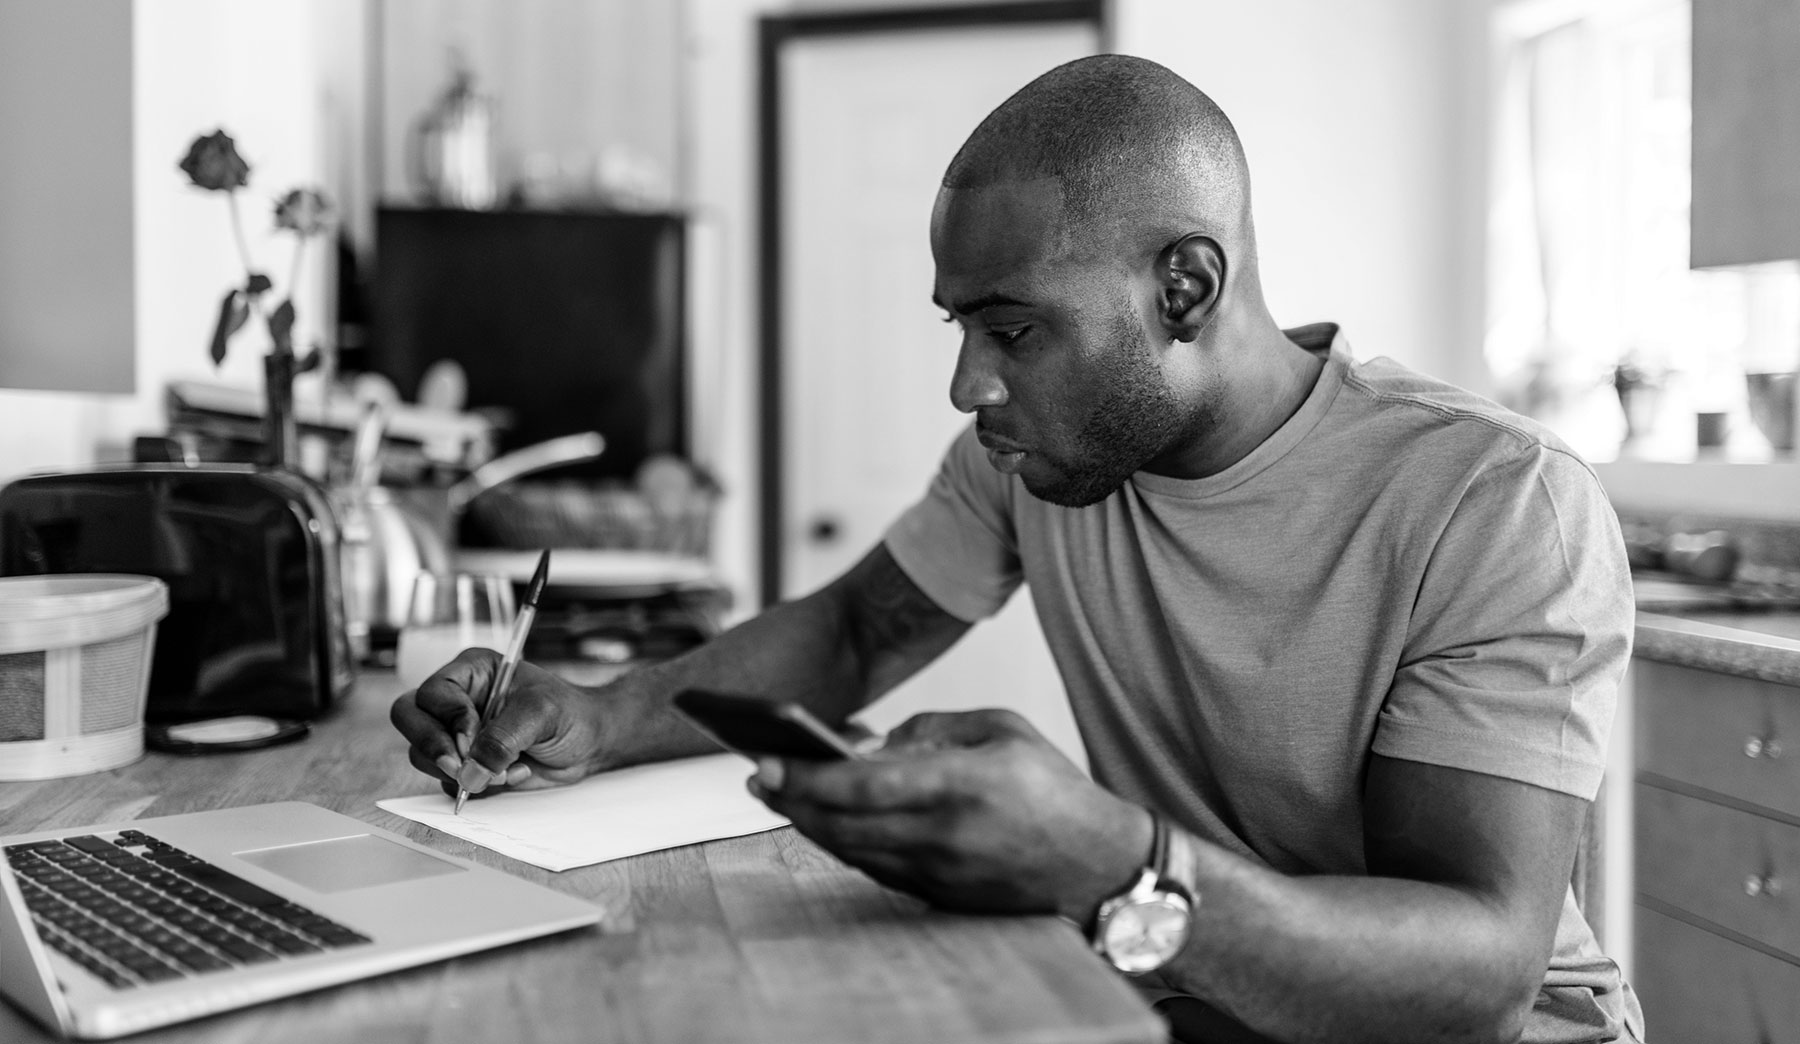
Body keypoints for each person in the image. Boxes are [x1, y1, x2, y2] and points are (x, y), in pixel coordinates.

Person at [392, 54, 1643, 1044]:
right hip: (1202, 994)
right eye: (959, 326)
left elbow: (1474, 983)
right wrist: (604, 716)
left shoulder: (1491, 499)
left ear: (1187, 289)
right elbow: (854, 631)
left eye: (1012, 329)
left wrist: (1111, 861)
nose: (966, 385)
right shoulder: (1045, 452)